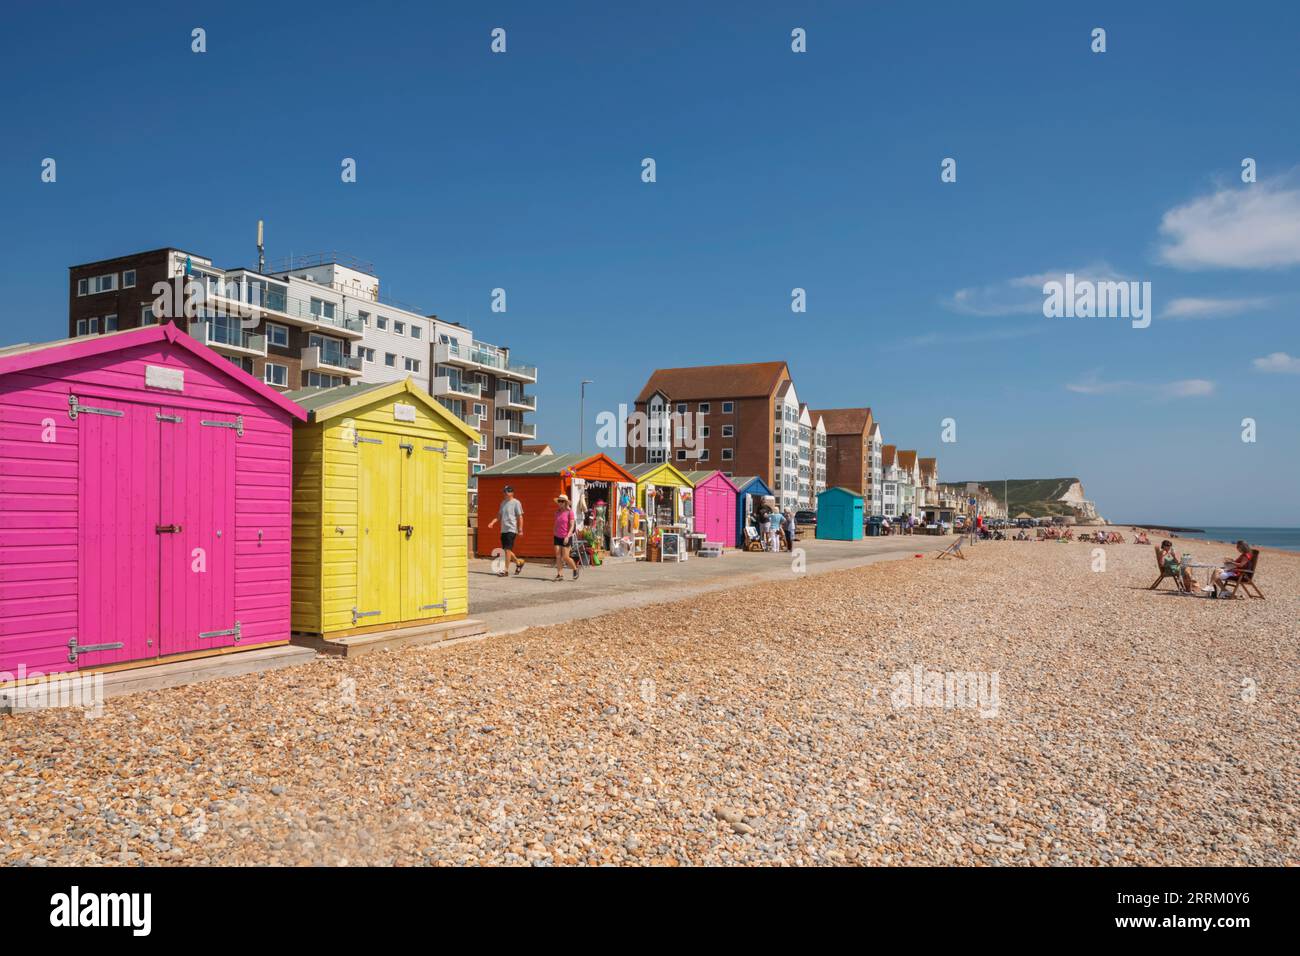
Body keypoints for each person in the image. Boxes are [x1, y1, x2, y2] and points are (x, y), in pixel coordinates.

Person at [486, 485, 525, 577]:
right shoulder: (503, 503)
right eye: (504, 492)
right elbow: (498, 516)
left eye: (506, 492)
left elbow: (520, 516)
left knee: (507, 550)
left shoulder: (516, 502)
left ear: (511, 493)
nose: (504, 493)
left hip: (511, 529)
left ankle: (505, 570)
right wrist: (492, 522)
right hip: (504, 529)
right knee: (507, 550)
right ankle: (519, 562)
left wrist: (520, 529)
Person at [552, 495, 579, 581]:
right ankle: (560, 574)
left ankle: (575, 569)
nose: (560, 503)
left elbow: (571, 526)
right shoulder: (557, 512)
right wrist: (554, 531)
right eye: (559, 501)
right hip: (557, 536)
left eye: (562, 501)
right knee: (558, 555)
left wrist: (567, 536)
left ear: (566, 502)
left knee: (565, 557)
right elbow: (556, 524)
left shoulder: (569, 512)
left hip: (566, 537)